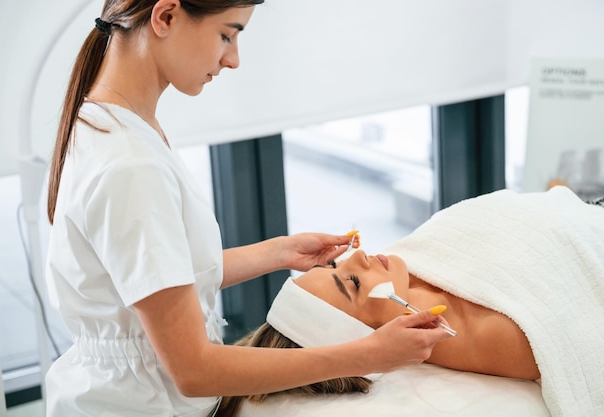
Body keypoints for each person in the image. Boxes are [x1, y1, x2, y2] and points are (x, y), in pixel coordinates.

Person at [43, 1, 454, 416]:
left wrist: (279, 252)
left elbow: (152, 278)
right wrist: (367, 355)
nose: (233, 59)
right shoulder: (130, 165)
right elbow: (193, 369)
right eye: (227, 33)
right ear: (165, 17)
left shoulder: (111, 124)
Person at [218, 186, 604, 417]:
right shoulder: (486, 336)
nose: (359, 256)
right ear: (377, 335)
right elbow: (591, 351)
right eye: (354, 283)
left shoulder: (402, 267)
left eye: (333, 267)